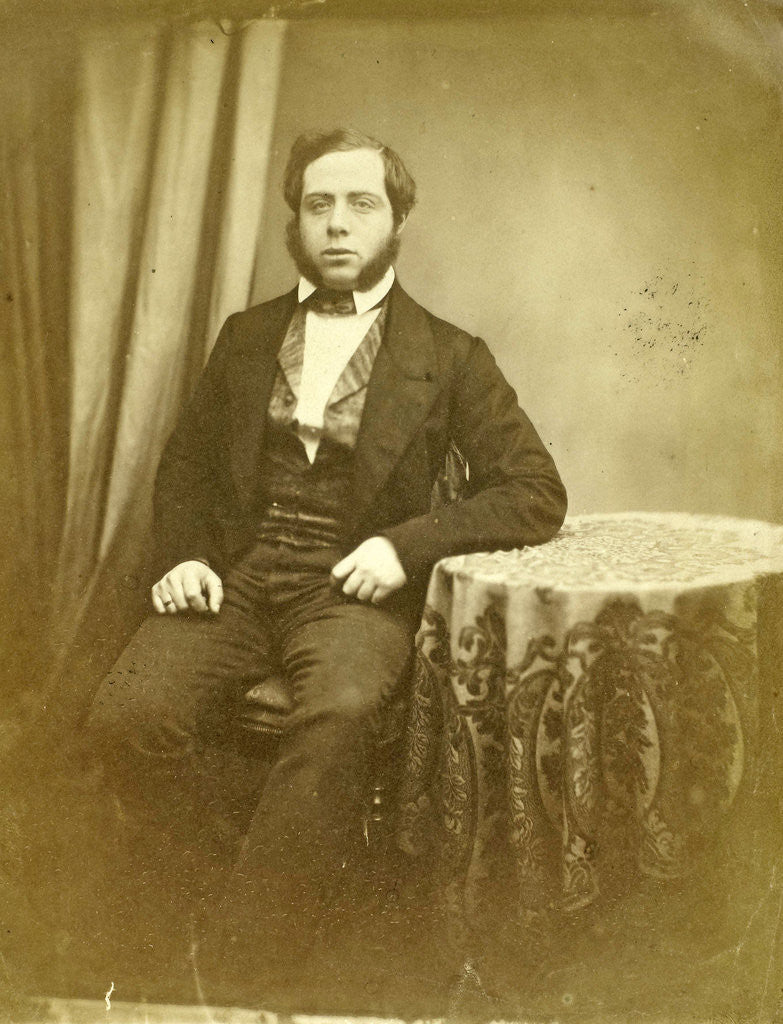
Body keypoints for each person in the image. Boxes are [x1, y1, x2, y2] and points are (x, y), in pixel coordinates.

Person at [85, 128, 567, 1009]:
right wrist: (187, 555)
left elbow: (534, 492)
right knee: (126, 720)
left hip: (353, 591)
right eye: (318, 205)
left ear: (398, 222)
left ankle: (238, 965)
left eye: (360, 204)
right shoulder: (246, 335)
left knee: (340, 714)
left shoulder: (452, 354)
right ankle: (252, 871)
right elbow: (186, 470)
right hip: (236, 576)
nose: (337, 225)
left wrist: (405, 546)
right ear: (293, 223)